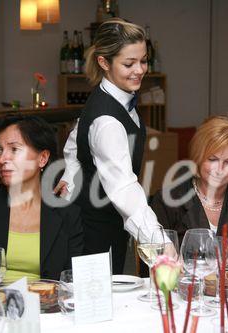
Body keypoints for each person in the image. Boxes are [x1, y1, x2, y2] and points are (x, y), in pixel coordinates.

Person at [54, 18, 162, 274]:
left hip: (105, 217)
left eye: (143, 61)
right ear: (104, 62)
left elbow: (74, 141)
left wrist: (70, 172)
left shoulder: (109, 98)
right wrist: (160, 243)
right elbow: (123, 188)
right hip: (94, 226)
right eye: (128, 63)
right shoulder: (107, 120)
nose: (139, 70)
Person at [0, 114, 83, 285]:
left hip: (46, 308)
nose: (3, 159)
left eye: (14, 149)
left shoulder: (67, 214)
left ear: (42, 158)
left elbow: (73, 281)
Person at [150, 115, 228, 244]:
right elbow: (154, 259)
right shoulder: (166, 201)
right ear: (198, 157)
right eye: (212, 159)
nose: (219, 170)